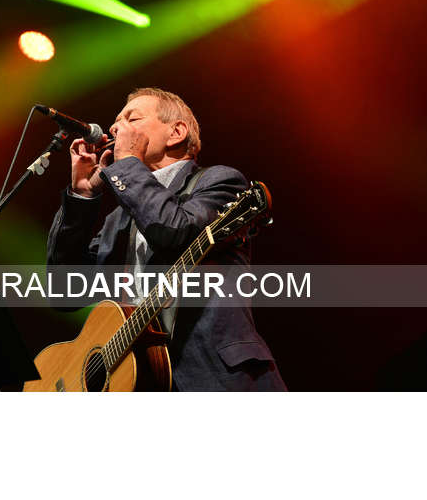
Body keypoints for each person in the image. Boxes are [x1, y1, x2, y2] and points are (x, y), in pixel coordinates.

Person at [47, 87, 286, 391]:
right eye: (116, 121)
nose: (115, 128)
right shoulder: (118, 220)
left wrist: (127, 163)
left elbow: (173, 232)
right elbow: (64, 292)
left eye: (132, 119)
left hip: (214, 380)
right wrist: (82, 194)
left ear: (176, 133)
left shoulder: (219, 182)